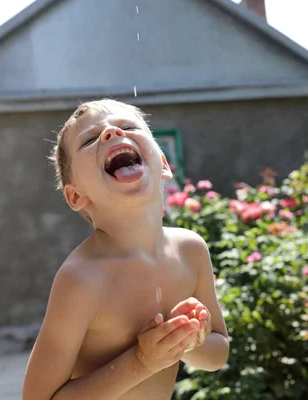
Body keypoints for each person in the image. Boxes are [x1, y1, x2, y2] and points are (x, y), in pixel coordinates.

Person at [22, 99, 229, 400]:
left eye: (128, 127)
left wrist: (191, 341)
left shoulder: (190, 251)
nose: (111, 133)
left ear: (163, 162)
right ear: (76, 195)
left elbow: (219, 351)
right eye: (91, 139)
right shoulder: (81, 279)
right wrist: (142, 362)